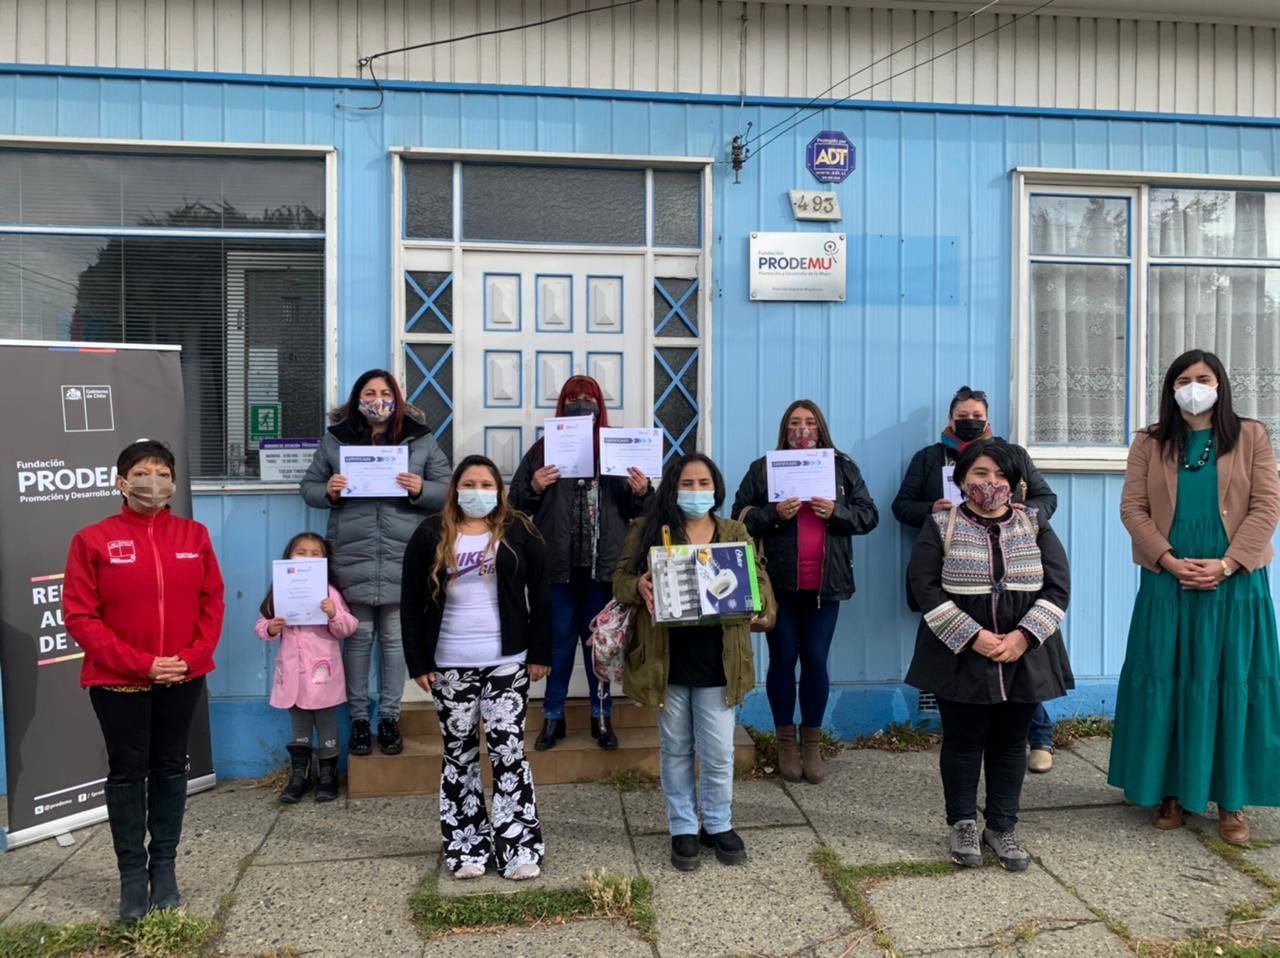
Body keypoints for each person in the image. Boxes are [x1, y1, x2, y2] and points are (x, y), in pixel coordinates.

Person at [1111, 349, 1280, 846]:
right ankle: (1168, 791)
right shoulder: (1150, 441)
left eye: (1203, 378)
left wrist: (1227, 564)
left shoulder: (1251, 436)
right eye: (1183, 379)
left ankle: (1231, 799)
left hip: (1235, 583)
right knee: (1169, 679)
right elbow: (1133, 507)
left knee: (1231, 682)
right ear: (1170, 389)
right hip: (1168, 581)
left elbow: (1267, 506)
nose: (1193, 386)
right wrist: (1166, 559)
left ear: (1221, 384)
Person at [62, 440, 225, 922]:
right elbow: (80, 616)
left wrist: (190, 657)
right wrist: (142, 663)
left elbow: (211, 603)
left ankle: (165, 868)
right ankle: (133, 876)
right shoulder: (91, 540)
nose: (152, 481)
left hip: (182, 675)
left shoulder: (193, 536)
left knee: (172, 767)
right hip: (118, 681)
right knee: (128, 772)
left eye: (161, 472)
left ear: (173, 483)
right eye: (141, 472)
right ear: (120, 482)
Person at [905, 440, 1073, 873]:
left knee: (1010, 744)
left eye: (1000, 476)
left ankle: (1002, 826)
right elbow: (923, 586)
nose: (991, 483)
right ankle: (962, 823)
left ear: (1016, 484)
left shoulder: (1033, 523)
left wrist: (1023, 637)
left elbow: (1057, 587)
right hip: (958, 653)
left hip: (1026, 653)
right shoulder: (942, 524)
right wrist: (971, 635)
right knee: (963, 743)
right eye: (980, 473)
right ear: (962, 479)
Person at [614, 453, 774, 873]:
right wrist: (638, 584)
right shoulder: (650, 530)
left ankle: (718, 823)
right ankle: (683, 827)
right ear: (672, 486)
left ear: (717, 489)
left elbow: (759, 584)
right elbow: (618, 580)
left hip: (720, 659)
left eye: (704, 483)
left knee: (720, 751)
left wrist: (759, 607)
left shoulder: (734, 531)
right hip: (667, 660)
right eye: (688, 483)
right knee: (676, 748)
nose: (697, 491)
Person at [892, 385, 1060, 773]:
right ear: (950, 420)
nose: (970, 423)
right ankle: (968, 746)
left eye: (977, 417)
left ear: (989, 420)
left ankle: (1040, 737)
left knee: (1021, 669)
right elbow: (901, 505)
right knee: (965, 666)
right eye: (963, 417)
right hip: (956, 579)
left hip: (1013, 573)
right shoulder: (928, 458)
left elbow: (1046, 499)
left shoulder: (1013, 456)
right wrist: (930, 509)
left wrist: (1019, 511)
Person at [401, 455, 552, 881]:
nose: (479, 492)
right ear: (455, 489)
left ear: (499, 491)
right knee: (460, 754)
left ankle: (518, 845)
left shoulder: (519, 531)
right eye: (470, 484)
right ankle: (466, 846)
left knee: (508, 751)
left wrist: (541, 652)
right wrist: (418, 661)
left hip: (507, 661)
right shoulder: (429, 533)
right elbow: (410, 602)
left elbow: (541, 595)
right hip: (450, 663)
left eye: (487, 485)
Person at [301, 369, 451, 758]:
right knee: (358, 638)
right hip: (354, 551)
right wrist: (330, 491)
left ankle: (388, 717)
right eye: (369, 392)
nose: (377, 399)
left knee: (394, 640)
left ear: (397, 397)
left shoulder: (420, 438)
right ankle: (359, 721)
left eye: (385, 392)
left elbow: (447, 489)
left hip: (405, 553)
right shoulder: (336, 439)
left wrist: (420, 489)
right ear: (357, 398)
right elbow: (309, 488)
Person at [730, 399, 878, 784]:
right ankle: (784, 742)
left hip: (824, 586)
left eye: (809, 422)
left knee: (815, 659)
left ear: (820, 428)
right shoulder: (765, 467)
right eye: (795, 423)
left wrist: (838, 513)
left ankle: (810, 742)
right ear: (784, 428)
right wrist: (774, 516)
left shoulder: (842, 467)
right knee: (782, 659)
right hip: (779, 585)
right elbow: (738, 517)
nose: (802, 430)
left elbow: (869, 515)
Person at [509, 375, 651, 752]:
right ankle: (552, 717)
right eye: (574, 398)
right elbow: (515, 506)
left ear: (600, 404)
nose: (582, 403)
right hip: (558, 567)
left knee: (599, 646)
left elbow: (641, 512)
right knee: (557, 645)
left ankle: (601, 717)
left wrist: (643, 492)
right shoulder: (542, 451)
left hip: (602, 569)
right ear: (562, 406)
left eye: (589, 397)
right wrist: (534, 487)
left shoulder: (616, 448)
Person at [255, 533, 359, 804]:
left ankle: (328, 775)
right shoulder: (279, 591)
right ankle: (300, 774)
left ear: (325, 560)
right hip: (292, 674)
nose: (308, 557)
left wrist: (333, 613)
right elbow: (261, 626)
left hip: (322, 673)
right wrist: (271, 628)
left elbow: (349, 627)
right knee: (299, 725)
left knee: (326, 724)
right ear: (289, 555)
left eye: (316, 553)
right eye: (302, 551)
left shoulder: (329, 592)